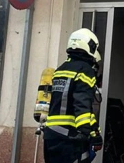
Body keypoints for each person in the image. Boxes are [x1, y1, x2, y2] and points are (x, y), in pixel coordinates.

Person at [43, 29, 103, 163]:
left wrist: (94, 130)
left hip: (51, 136)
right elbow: (82, 106)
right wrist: (89, 134)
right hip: (69, 138)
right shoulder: (85, 70)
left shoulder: (61, 69)